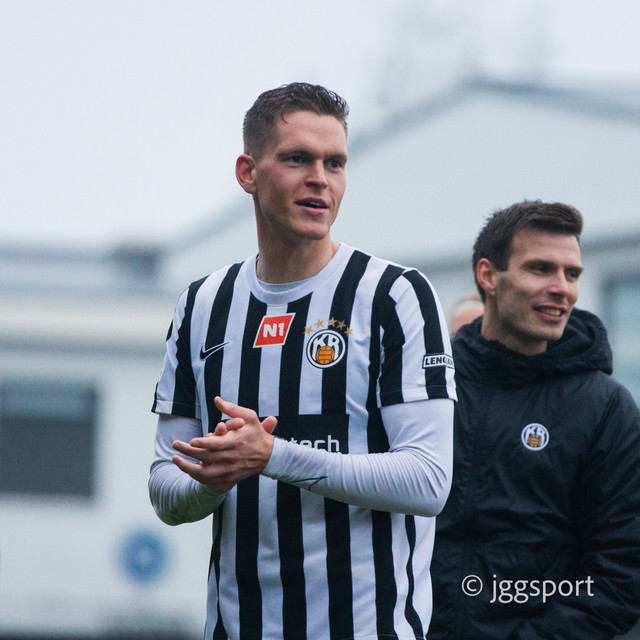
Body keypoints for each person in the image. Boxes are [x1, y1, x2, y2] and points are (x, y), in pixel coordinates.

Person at [149, 82, 456, 640]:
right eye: (297, 159)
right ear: (248, 173)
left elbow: (429, 481)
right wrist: (210, 483)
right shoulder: (202, 305)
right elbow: (165, 489)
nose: (320, 178)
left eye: (335, 163)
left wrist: (272, 456)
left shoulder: (394, 295)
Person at [429, 200, 640, 639]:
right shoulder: (427, 384)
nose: (562, 288)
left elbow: (620, 575)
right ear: (488, 276)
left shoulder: (605, 409)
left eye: (572, 274)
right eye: (541, 269)